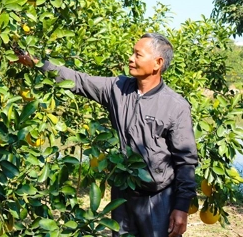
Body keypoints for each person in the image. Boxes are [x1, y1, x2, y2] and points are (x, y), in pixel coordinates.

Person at [15, 33, 198, 237]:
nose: (130, 58)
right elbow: (78, 80)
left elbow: (186, 162)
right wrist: (39, 64)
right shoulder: (117, 88)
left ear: (157, 63)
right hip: (123, 193)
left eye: (137, 55)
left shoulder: (176, 106)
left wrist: (181, 207)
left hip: (158, 199)